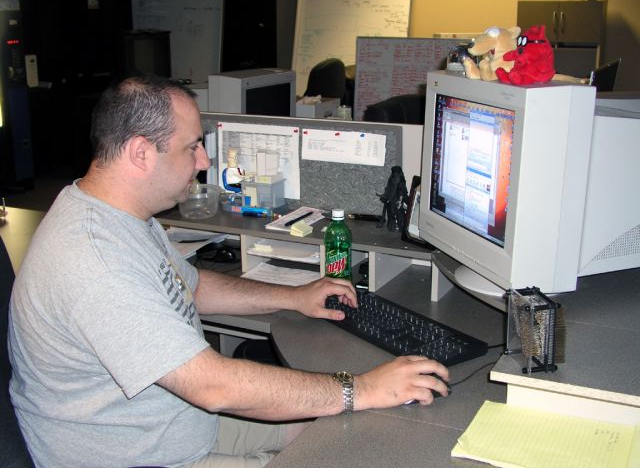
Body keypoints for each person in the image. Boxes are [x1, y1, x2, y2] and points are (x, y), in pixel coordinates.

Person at [8, 75, 449, 468]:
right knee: (351, 437)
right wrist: (362, 388)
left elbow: (190, 287)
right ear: (141, 153)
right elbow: (214, 387)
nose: (203, 162)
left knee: (350, 434)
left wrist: (292, 296)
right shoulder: (94, 259)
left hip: (175, 425)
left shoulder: (122, 217)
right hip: (136, 455)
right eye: (191, 146)